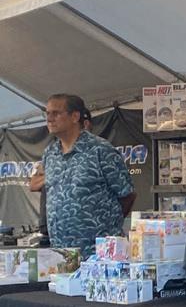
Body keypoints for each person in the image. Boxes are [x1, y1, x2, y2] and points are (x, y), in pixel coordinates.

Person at [30, 94, 134, 255]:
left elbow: (127, 195)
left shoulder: (100, 150)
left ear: (75, 116)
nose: (49, 119)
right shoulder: (50, 153)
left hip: (97, 253)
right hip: (62, 253)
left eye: (56, 113)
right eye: (47, 113)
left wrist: (107, 225)